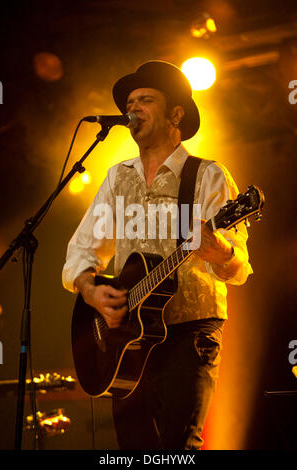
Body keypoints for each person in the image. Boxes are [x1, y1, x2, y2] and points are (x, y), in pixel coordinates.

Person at [62, 61, 252, 450]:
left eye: (145, 99)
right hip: (127, 340)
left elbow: (239, 267)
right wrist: (91, 290)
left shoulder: (208, 175)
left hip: (190, 331)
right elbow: (82, 251)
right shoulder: (117, 177)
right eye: (131, 102)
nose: (134, 108)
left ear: (175, 114)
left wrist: (218, 250)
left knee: (179, 448)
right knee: (134, 448)